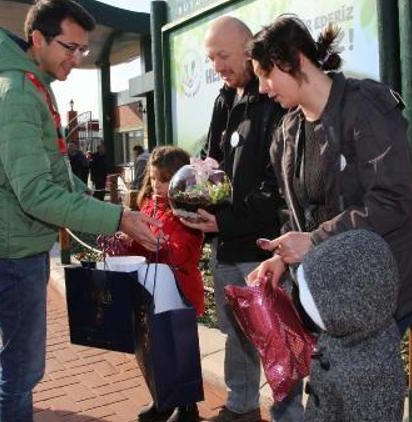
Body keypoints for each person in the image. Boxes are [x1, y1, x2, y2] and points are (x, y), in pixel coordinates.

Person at [0, 1, 159, 420]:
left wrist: (103, 213)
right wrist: (119, 218)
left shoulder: (31, 83)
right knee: (24, 368)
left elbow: (55, 171)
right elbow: (35, 193)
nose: (76, 58)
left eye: (82, 50)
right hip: (13, 251)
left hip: (17, 244)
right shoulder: (16, 93)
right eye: (69, 47)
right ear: (37, 38)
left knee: (15, 362)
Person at [246, 16, 412, 336]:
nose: (261, 88)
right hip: (335, 286)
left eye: (265, 74)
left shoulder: (365, 106)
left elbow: (393, 199)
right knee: (334, 380)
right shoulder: (287, 131)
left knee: (358, 381)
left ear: (295, 61)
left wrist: (314, 241)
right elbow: (295, 212)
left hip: (388, 280)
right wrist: (283, 258)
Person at [180, 16, 295, 422]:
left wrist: (226, 222)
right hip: (224, 244)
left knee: (275, 339)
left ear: (249, 48)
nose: (217, 67)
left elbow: (277, 185)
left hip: (263, 249)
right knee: (236, 333)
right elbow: (213, 164)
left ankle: (288, 415)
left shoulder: (274, 98)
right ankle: (242, 406)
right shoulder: (223, 100)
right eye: (211, 59)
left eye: (223, 56)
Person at [115, 146, 205, 422]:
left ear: (180, 179)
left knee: (181, 350)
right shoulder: (148, 204)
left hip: (180, 289)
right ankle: (163, 400)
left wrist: (152, 242)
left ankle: (187, 407)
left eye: (164, 179)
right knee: (155, 351)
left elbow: (182, 253)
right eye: (153, 178)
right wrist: (128, 242)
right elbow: (144, 251)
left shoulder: (188, 210)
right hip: (152, 287)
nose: (157, 185)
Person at [296, 229, 405, 421]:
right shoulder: (343, 334)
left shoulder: (373, 373)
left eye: (314, 298)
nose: (306, 304)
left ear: (349, 302)